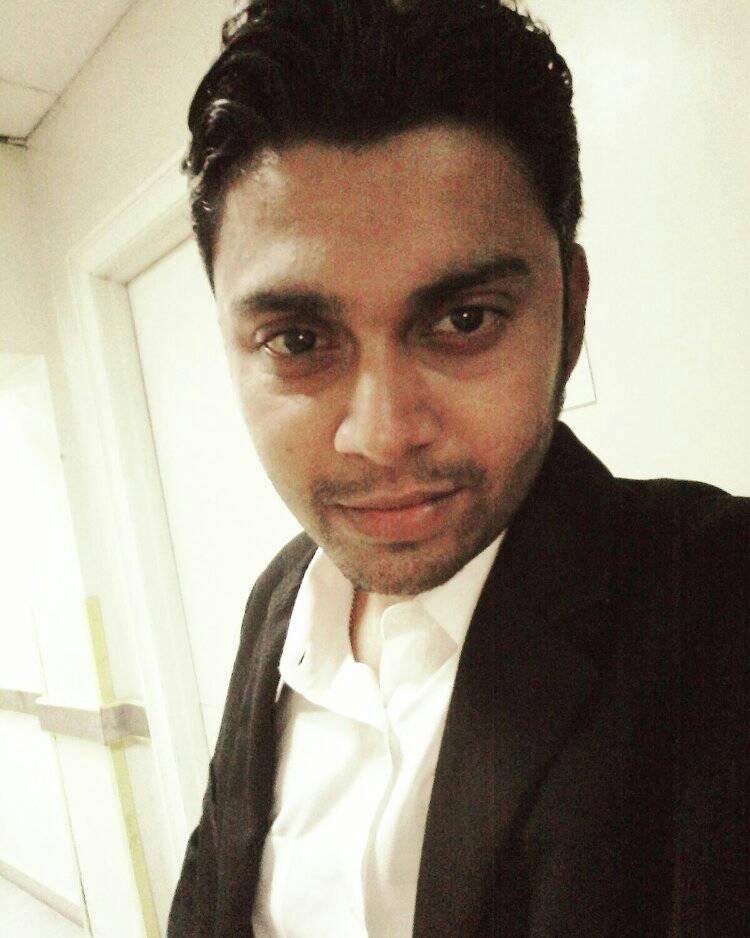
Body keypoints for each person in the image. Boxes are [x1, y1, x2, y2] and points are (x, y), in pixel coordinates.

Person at [169, 1, 748, 935]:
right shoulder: (279, 601)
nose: (383, 434)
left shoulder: (715, 601)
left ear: (572, 312)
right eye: (300, 340)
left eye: (464, 320)